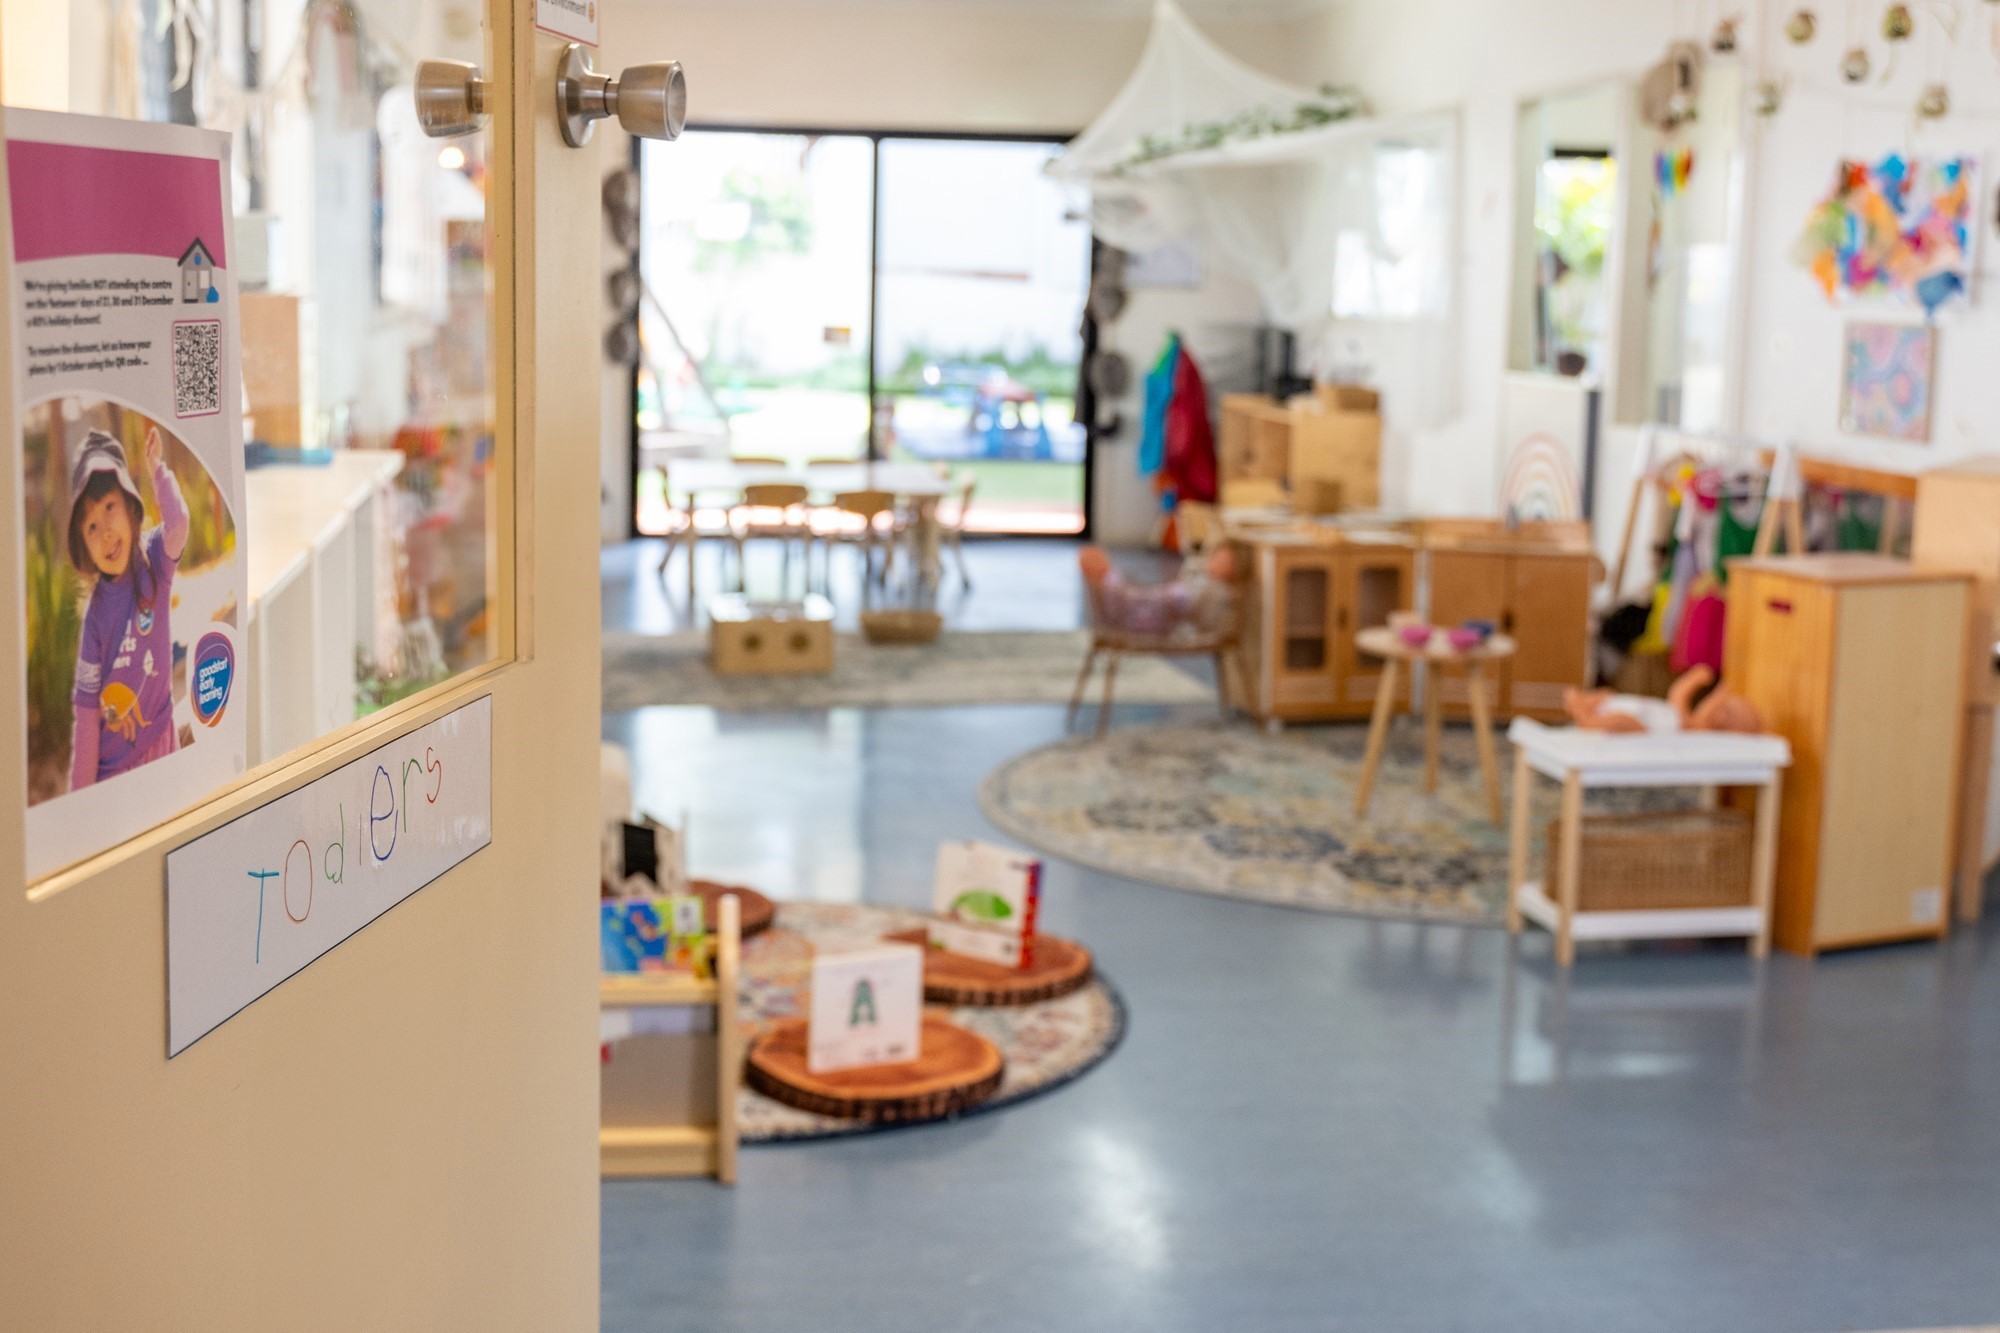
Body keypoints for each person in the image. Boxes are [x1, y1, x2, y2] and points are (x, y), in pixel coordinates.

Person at [66, 426, 186, 789]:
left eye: (109, 507)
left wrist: (157, 470)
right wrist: (82, 799)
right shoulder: (95, 618)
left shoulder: (154, 560)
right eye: (91, 526)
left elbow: (178, 523)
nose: (104, 531)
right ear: (85, 549)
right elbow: (87, 714)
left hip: (162, 739)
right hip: (116, 771)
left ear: (132, 507)